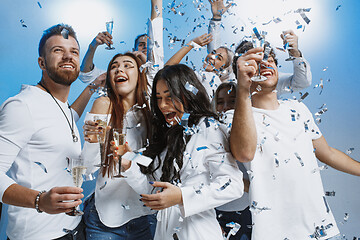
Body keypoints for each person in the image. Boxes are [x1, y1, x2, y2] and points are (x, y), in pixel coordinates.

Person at [230, 40, 360, 239]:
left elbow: (328, 153)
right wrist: (242, 88)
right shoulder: (235, 119)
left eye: (270, 60)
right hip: (273, 231)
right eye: (257, 62)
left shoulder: (297, 109)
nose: (266, 64)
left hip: (317, 227)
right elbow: (244, 153)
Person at [118, 64, 244, 240]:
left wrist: (182, 196)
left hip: (198, 233)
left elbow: (233, 186)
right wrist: (129, 165)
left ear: (188, 94)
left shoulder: (209, 128)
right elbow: (154, 190)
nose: (162, 105)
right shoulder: (169, 134)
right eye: (159, 98)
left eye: (169, 97)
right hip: (164, 232)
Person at [0, 24, 85, 240]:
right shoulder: (22, 106)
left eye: (74, 52)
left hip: (73, 228)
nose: (68, 56)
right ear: (41, 62)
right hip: (37, 235)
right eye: (58, 50)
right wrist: (39, 200)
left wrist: (92, 88)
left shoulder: (60, 106)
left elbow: (64, 120)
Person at [167, 0, 312, 100]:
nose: (260, 65)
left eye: (265, 59)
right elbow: (217, 56)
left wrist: (295, 53)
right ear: (238, 66)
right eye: (251, 60)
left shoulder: (268, 78)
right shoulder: (229, 82)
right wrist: (216, 19)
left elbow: (302, 82)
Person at [80, 52, 155, 239]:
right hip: (105, 221)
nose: (119, 69)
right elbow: (86, 168)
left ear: (140, 75)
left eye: (128, 65)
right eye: (114, 66)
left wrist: (129, 158)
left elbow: (152, 165)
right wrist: (93, 139)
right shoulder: (102, 106)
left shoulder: (152, 114)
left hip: (146, 217)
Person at [79, 0, 164, 87]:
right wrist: (92, 47)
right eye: (141, 44)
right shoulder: (118, 75)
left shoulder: (158, 74)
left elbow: (156, 31)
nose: (146, 47)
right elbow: (85, 75)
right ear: (133, 50)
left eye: (148, 45)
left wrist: (149, 63)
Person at [212, 81, 252, 240]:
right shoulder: (208, 133)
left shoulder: (252, 130)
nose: (226, 107)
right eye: (220, 102)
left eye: (232, 101)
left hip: (247, 209)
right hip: (217, 210)